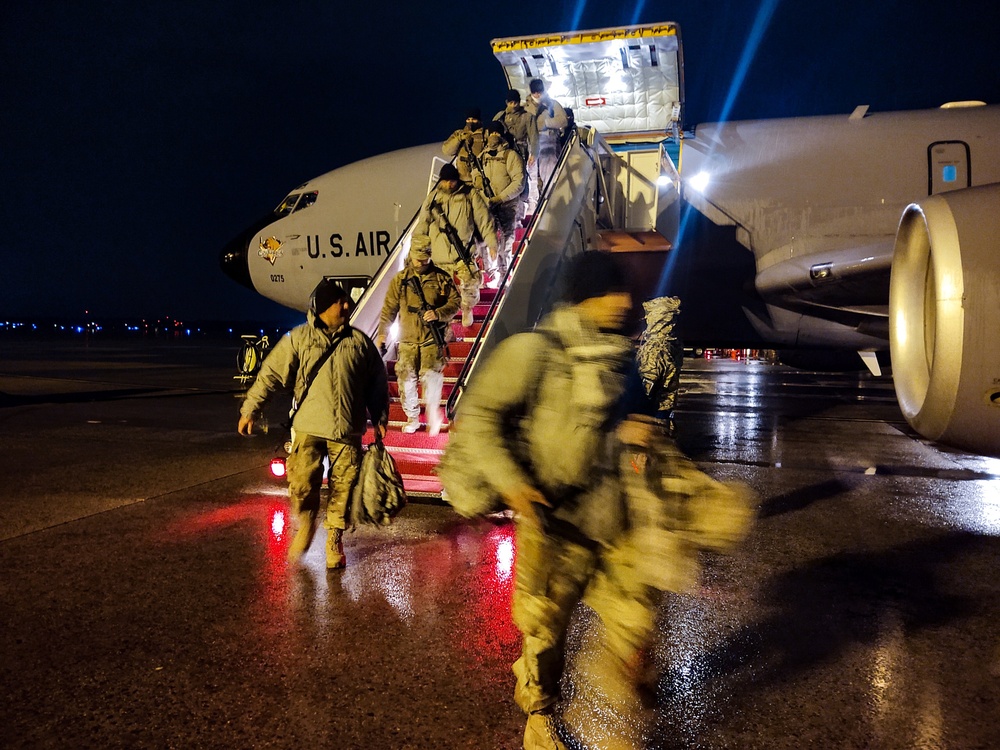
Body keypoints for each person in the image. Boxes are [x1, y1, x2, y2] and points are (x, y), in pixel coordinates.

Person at [438, 251, 656, 750]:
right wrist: (512, 483)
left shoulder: (623, 361)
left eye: (626, 292)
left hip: (613, 522)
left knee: (634, 620)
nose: (625, 302)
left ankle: (615, 718)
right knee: (545, 638)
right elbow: (480, 417)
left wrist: (640, 438)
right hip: (554, 524)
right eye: (611, 292)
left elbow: (636, 427)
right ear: (584, 297)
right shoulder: (534, 352)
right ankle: (540, 719)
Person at [238, 279, 389, 570]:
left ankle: (334, 537)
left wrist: (380, 417)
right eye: (339, 302)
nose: (346, 305)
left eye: (346, 301)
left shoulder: (359, 343)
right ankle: (306, 523)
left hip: (347, 429)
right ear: (322, 308)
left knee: (343, 487)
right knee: (302, 483)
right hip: (308, 426)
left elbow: (377, 384)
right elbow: (270, 373)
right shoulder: (298, 339)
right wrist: (251, 408)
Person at [376, 235, 460, 435]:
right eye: (418, 258)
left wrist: (439, 314)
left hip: (431, 338)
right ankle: (412, 417)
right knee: (406, 381)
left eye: (425, 259)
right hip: (407, 341)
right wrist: (382, 334)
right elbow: (389, 309)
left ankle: (433, 414)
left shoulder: (441, 277)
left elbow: (455, 302)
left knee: (431, 378)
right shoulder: (401, 280)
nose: (421, 263)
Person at [412, 162, 498, 327]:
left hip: (463, 252)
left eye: (452, 180)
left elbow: (484, 219)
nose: (449, 184)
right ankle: (446, 325)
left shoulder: (469, 195)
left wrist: (491, 243)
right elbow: (422, 225)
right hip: (440, 253)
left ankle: (467, 308)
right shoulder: (433, 198)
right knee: (440, 294)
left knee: (472, 281)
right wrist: (416, 252)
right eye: (446, 181)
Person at [474, 121, 526, 284]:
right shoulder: (482, 157)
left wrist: (499, 198)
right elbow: (474, 174)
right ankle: (488, 273)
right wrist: (477, 180)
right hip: (487, 205)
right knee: (485, 240)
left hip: (506, 205)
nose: (493, 136)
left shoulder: (510, 156)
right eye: (491, 133)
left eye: (497, 133)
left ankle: (504, 273)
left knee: (506, 239)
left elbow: (519, 182)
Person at [637, 295, 684, 434]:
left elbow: (646, 391)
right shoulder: (673, 344)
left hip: (650, 422)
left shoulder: (654, 350)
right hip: (664, 419)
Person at [525, 78, 568, 206]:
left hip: (548, 143)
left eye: (539, 91)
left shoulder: (552, 104)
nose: (537, 95)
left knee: (549, 175)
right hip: (531, 145)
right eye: (534, 92)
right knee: (530, 176)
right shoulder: (525, 107)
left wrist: (546, 123)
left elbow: (563, 120)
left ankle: (550, 203)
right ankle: (532, 205)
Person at [493, 88, 537, 170]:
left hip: (520, 151)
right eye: (511, 103)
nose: (514, 105)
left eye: (516, 102)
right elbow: (492, 134)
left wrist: (534, 154)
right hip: (502, 152)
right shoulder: (500, 116)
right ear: (506, 102)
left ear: (519, 102)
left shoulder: (527, 116)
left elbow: (533, 135)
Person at [442, 107, 487, 186]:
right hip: (462, 179)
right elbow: (447, 150)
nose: (470, 122)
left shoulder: (485, 134)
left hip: (480, 179)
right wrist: (459, 139)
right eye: (468, 119)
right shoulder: (459, 133)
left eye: (473, 119)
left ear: (479, 120)